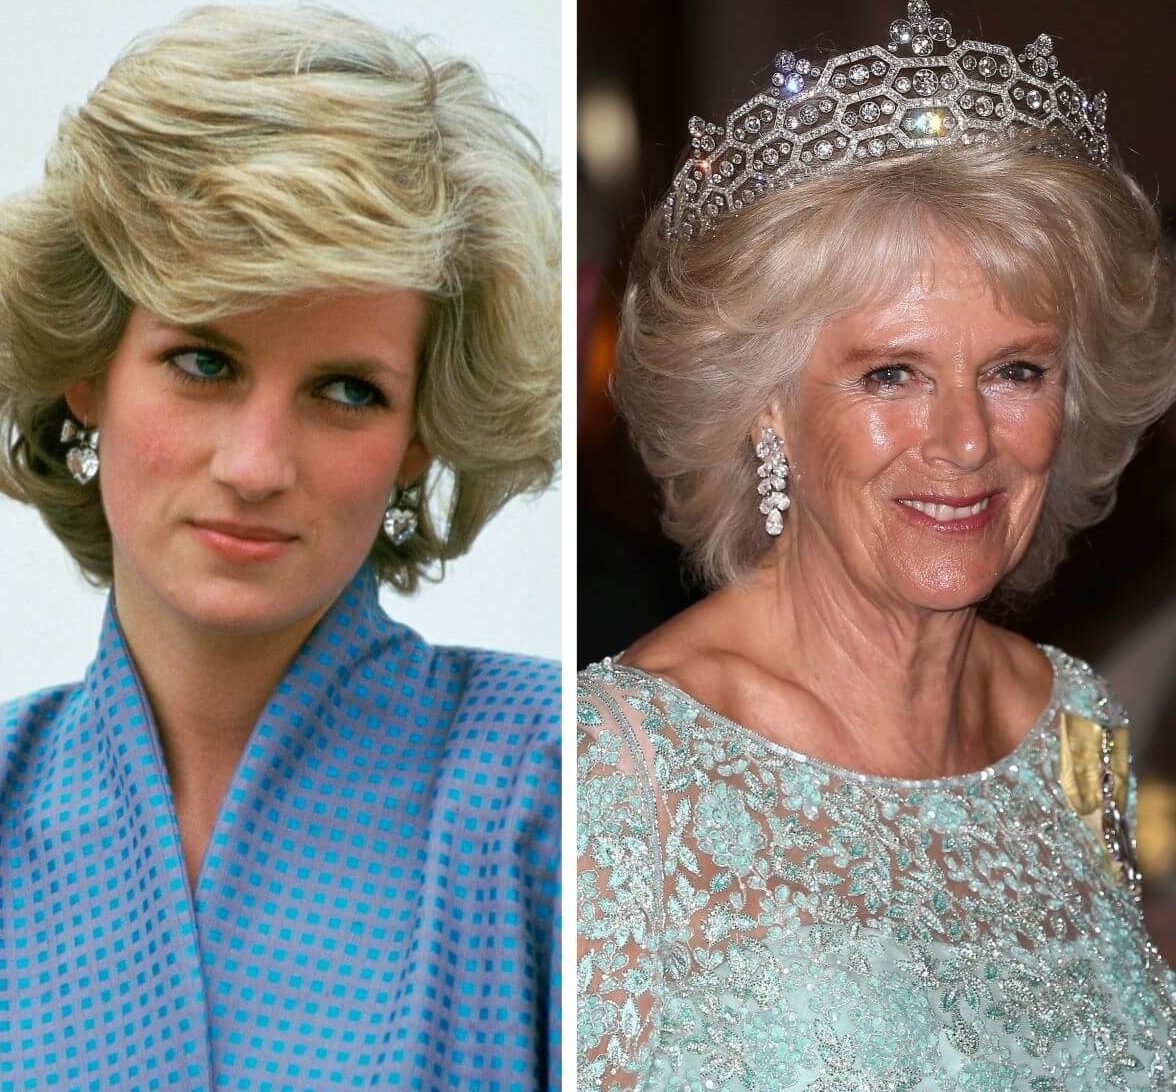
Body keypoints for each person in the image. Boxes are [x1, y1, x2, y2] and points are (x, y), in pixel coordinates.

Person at [577, 2, 1176, 1088]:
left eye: (1016, 371)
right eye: (891, 374)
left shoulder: (1082, 728)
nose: (963, 439)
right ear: (766, 407)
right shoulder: (619, 769)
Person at [0, 6, 560, 1088]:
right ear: (88, 369)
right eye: (203, 363)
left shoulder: (549, 788)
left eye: (347, 391)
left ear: (417, 439)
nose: (256, 464)